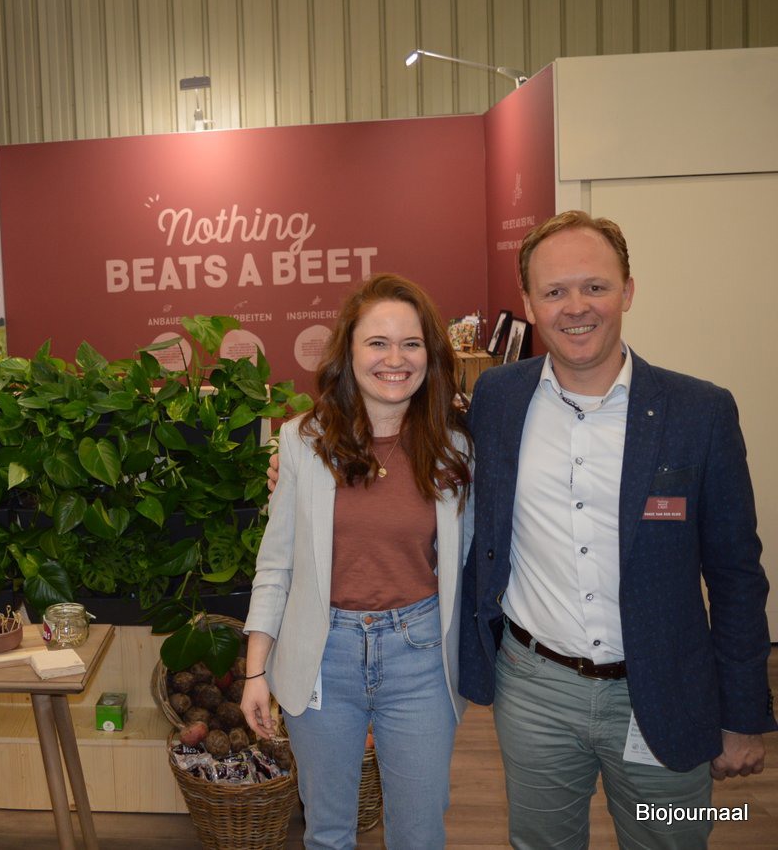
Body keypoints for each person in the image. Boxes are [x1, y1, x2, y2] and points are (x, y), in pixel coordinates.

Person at [459, 210, 775, 848]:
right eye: (554, 291)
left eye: (595, 286)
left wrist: (742, 713)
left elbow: (737, 574)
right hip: (534, 691)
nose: (576, 307)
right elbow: (418, 457)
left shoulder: (700, 412)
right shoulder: (498, 398)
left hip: (664, 687)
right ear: (529, 303)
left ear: (627, 291)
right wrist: (302, 459)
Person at [242, 273, 472, 849]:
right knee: (327, 833)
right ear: (348, 352)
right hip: (324, 657)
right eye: (377, 343)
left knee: (419, 834)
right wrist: (255, 671)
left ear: (429, 355)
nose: (395, 359)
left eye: (411, 343)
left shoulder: (457, 447)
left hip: (421, 657)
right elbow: (276, 565)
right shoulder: (302, 442)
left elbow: (472, 557)